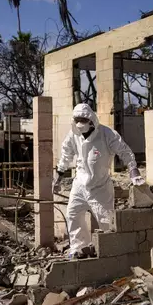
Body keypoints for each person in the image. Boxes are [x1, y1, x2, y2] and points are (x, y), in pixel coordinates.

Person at [53, 103, 145, 258]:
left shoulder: (107, 134)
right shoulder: (73, 135)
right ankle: (78, 248)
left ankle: (110, 252)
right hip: (80, 185)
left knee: (106, 221)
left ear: (91, 120)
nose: (80, 123)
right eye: (77, 120)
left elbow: (125, 152)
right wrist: (58, 177)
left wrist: (133, 171)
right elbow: (66, 155)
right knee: (73, 214)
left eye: (83, 119)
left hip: (100, 187)